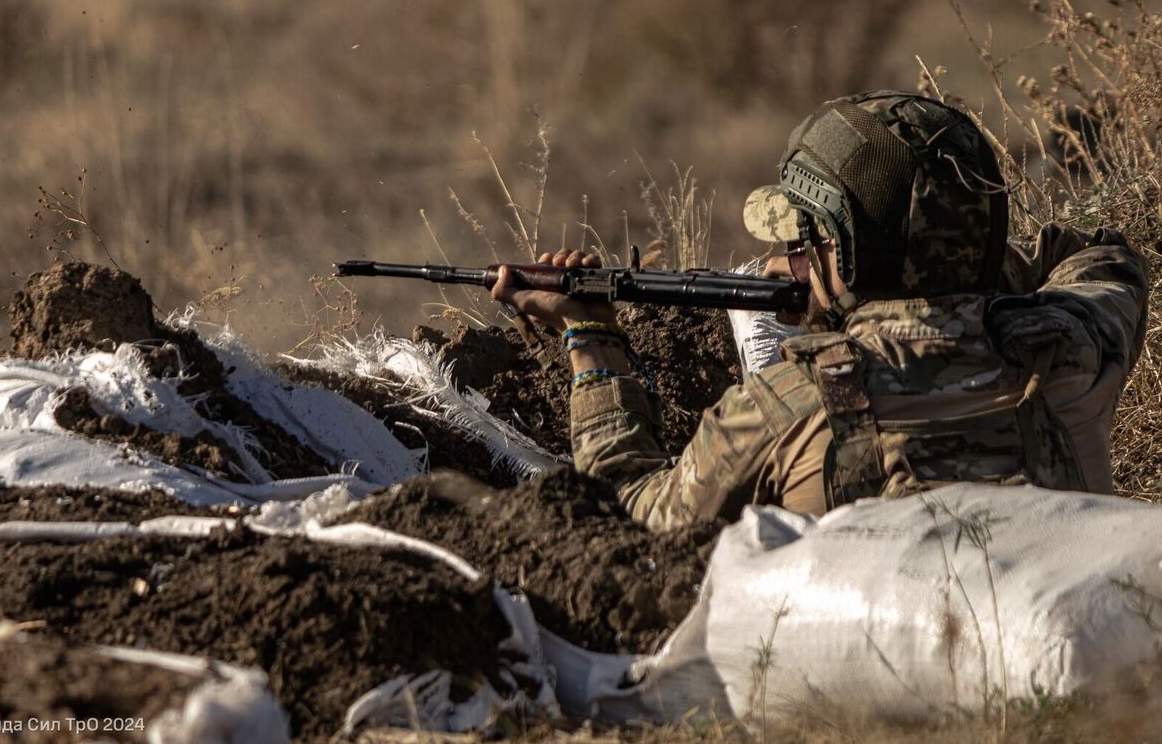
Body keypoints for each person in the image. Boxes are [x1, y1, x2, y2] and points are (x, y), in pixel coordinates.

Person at [492, 91, 1149, 529]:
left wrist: (588, 333)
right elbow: (1095, 254)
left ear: (842, 250)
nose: (786, 256)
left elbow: (625, 515)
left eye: (803, 241)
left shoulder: (785, 405)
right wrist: (948, 277)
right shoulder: (1077, 343)